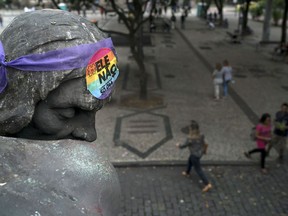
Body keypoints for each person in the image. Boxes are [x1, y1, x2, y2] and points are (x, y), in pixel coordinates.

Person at [176, 120, 212, 192]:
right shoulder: (201, 135)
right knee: (190, 160)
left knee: (198, 170)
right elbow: (204, 143)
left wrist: (178, 145)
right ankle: (187, 172)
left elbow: (183, 146)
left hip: (194, 155)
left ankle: (207, 184)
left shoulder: (190, 139)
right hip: (200, 153)